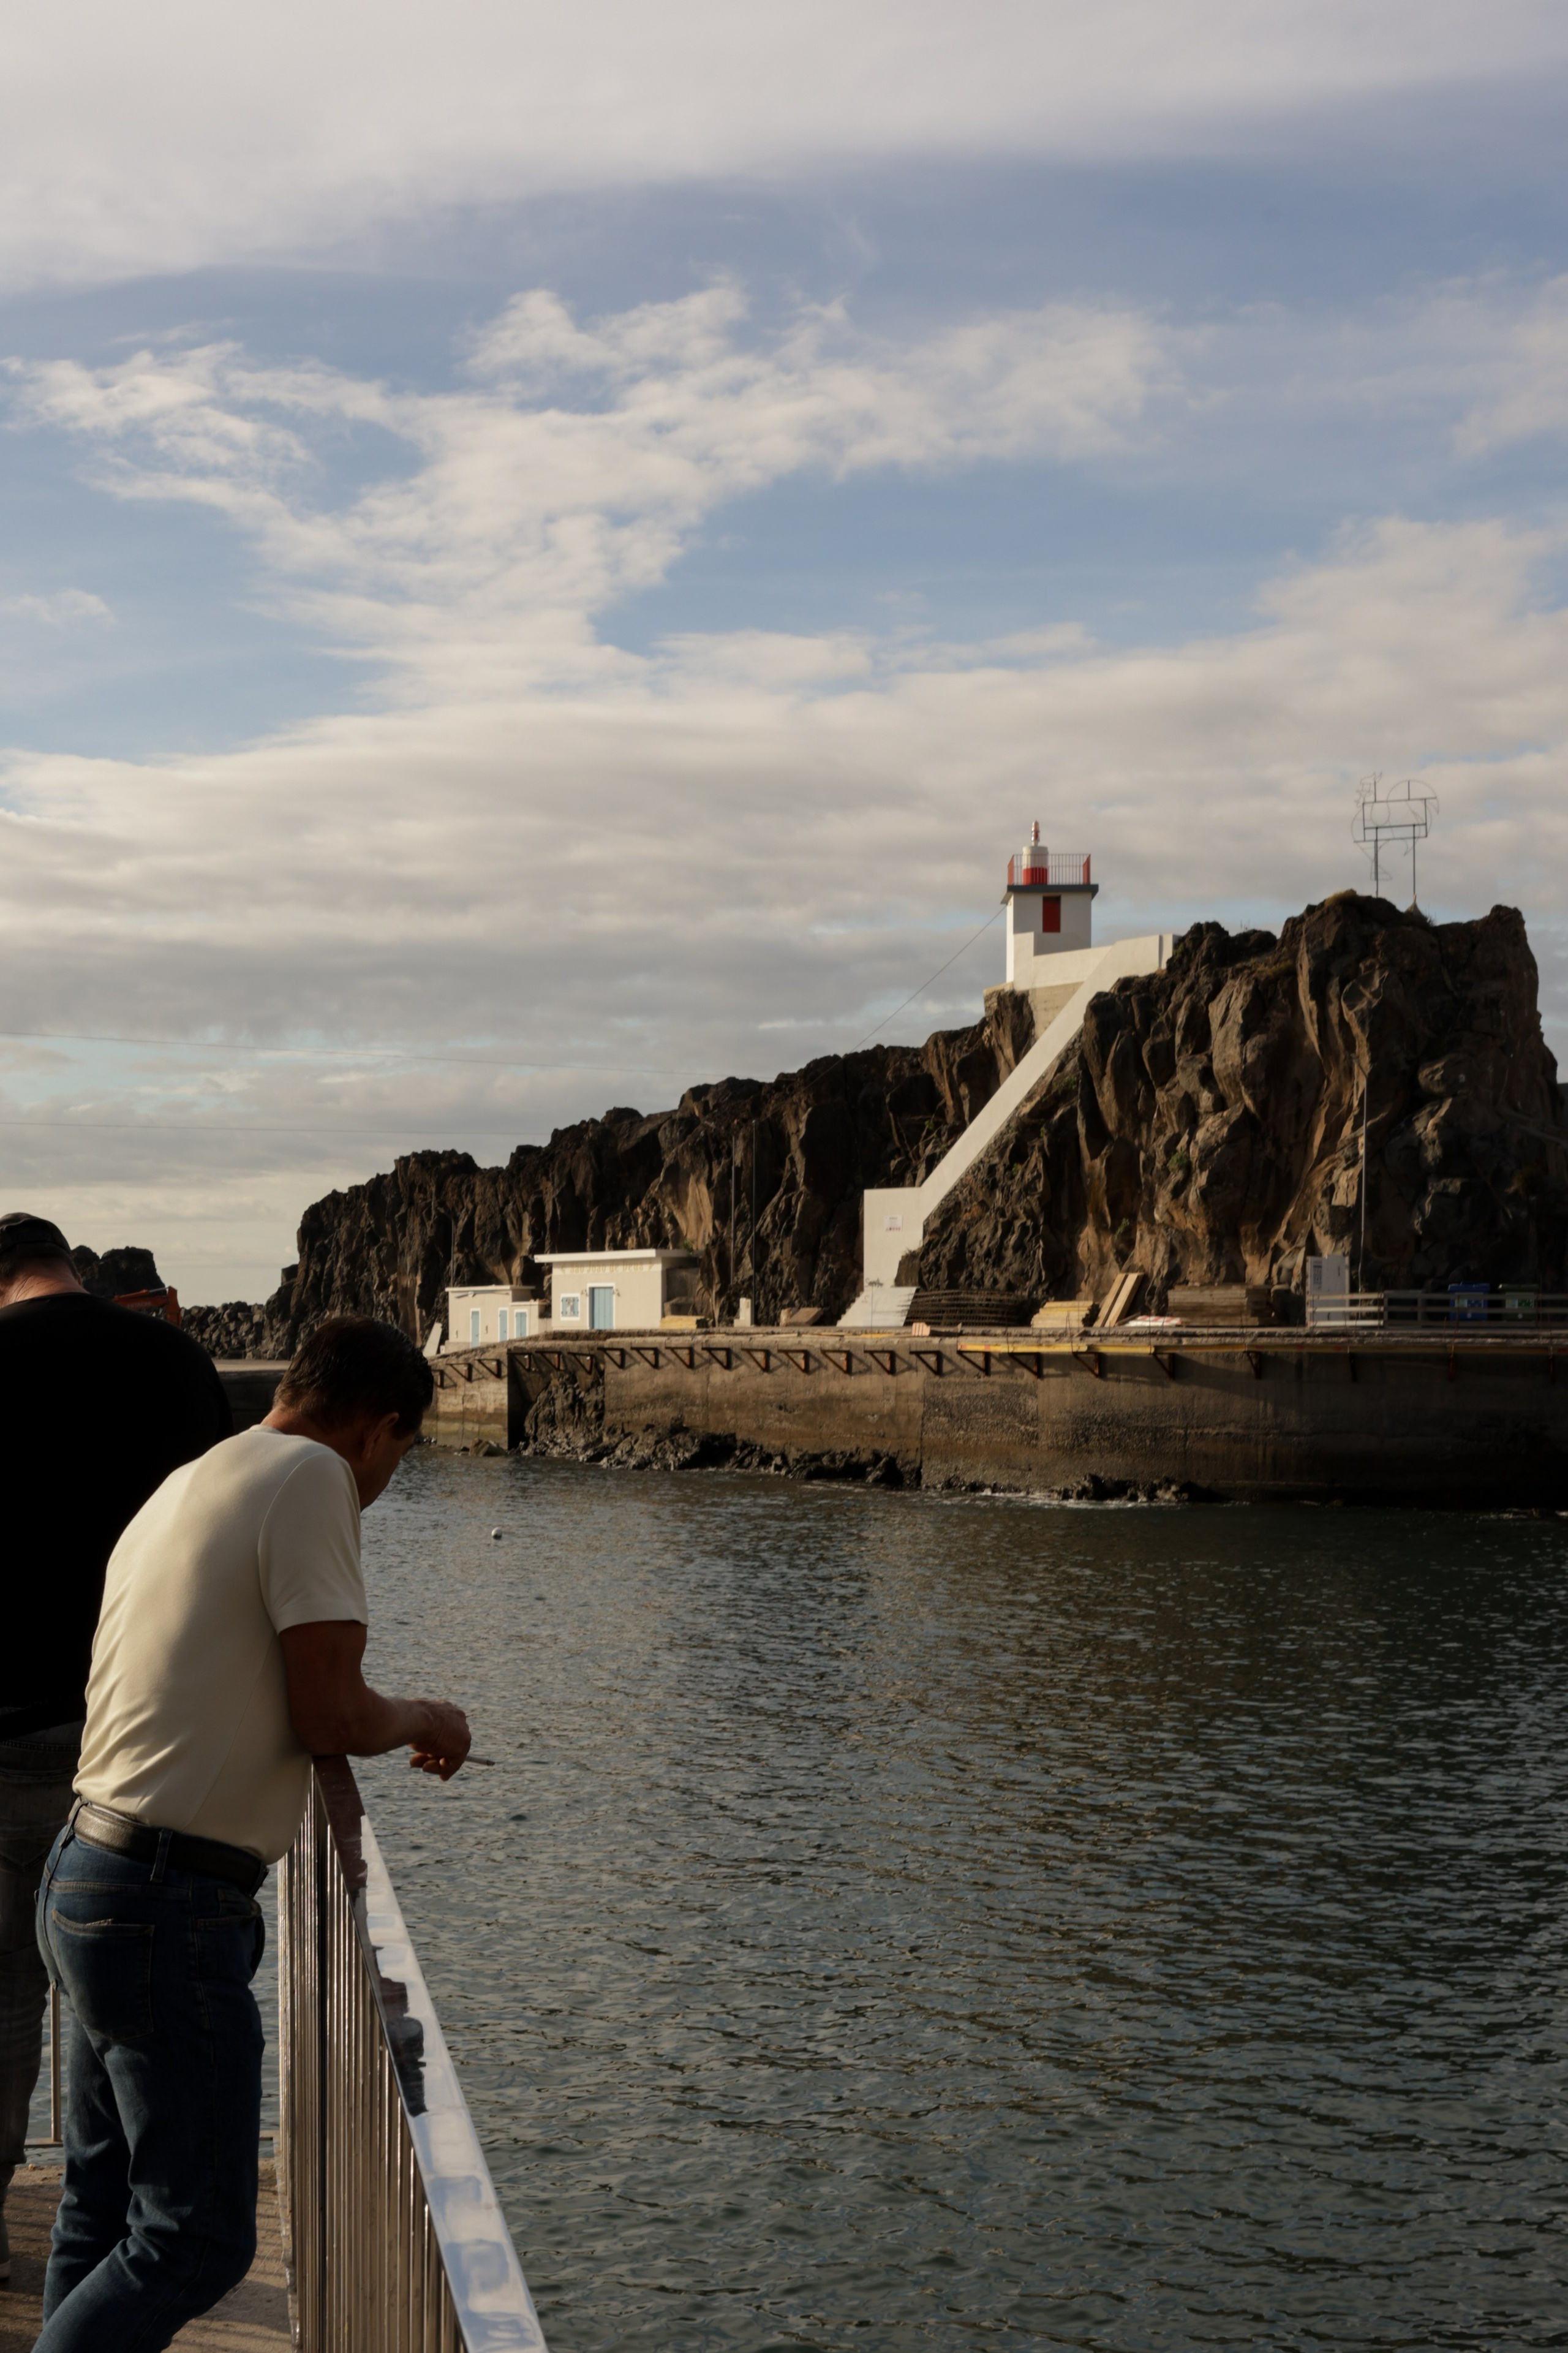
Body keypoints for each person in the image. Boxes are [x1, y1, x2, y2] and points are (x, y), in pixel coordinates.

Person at [33, 1313, 469, 2351]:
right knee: (196, 2236)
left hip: (87, 1865)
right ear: (379, 1427)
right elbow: (332, 1714)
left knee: (100, 2200)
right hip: (162, 1901)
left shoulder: (192, 1478)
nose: (386, 1480)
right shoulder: (315, 1477)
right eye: (401, 1454)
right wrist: (428, 1716)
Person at [0, 1210, 231, 2286]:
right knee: (115, 1999)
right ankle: (111, 2241)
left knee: (4, 1997)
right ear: (69, 1268)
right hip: (142, 1743)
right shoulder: (176, 1363)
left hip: (8, 1740)